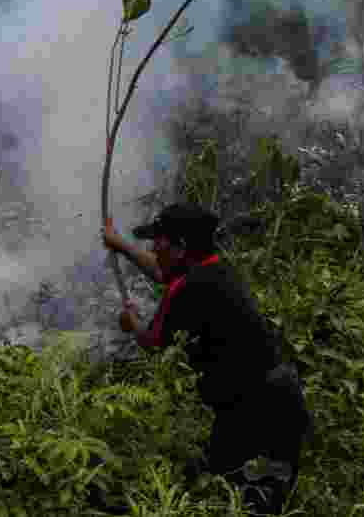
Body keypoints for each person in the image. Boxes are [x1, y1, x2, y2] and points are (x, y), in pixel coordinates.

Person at [102, 203, 312, 515]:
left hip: (254, 410)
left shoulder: (190, 287)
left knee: (248, 500)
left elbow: (153, 343)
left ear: (181, 247)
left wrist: (131, 323)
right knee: (242, 490)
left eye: (158, 243)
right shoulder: (215, 268)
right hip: (281, 396)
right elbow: (162, 272)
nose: (153, 249)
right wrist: (120, 244)